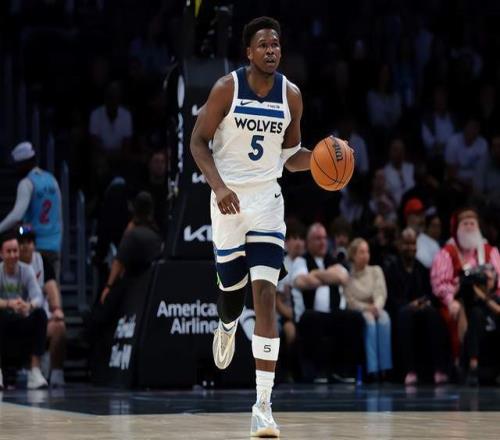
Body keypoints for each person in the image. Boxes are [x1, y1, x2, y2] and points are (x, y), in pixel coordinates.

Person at [189, 17, 325, 437]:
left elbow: (290, 156)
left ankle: (262, 405)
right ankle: (227, 325)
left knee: (265, 294)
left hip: (267, 202)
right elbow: (197, 142)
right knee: (232, 295)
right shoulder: (226, 89)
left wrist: (323, 161)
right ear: (249, 52)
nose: (271, 51)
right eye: (263, 45)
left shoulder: (291, 96)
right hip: (228, 201)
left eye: (276, 45)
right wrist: (218, 187)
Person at [431, 207, 500, 384]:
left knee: (483, 313)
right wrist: (450, 300)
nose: (469, 227)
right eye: (465, 223)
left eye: (472, 223)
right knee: (462, 311)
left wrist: (490, 286)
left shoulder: (490, 251)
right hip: (460, 300)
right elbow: (440, 283)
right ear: (457, 228)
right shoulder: (448, 252)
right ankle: (464, 363)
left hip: (487, 300)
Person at [290, 223, 364, 383]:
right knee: (312, 318)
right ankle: (318, 372)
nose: (322, 242)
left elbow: (343, 278)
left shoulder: (335, 260)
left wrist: (315, 274)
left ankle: (343, 371)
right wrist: (330, 276)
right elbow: (302, 282)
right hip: (310, 314)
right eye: (317, 239)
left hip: (334, 313)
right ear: (308, 242)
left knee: (355, 317)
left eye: (324, 238)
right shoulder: (300, 261)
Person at [384, 228, 448, 385]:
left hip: (419, 309)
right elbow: (390, 297)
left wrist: (423, 302)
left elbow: (429, 293)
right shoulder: (391, 268)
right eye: (406, 244)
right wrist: (408, 305)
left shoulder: (421, 268)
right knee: (405, 314)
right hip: (400, 310)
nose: (410, 248)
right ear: (399, 245)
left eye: (413, 244)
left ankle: (438, 369)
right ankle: (409, 370)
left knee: (433, 314)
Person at [0, 142, 63, 280]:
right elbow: (59, 216)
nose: (16, 170)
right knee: (53, 289)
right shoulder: (52, 180)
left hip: (33, 247)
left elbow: (17, 215)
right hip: (54, 245)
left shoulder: (27, 183)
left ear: (24, 163)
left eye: (17, 165)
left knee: (32, 288)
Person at [17, 225, 66, 387]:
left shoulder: (42, 262)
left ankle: (53, 372)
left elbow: (51, 288)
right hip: (14, 319)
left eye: (29, 242)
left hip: (36, 318)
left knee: (55, 324)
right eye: (21, 242)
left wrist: (56, 308)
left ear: (34, 245)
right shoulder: (8, 264)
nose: (24, 246)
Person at [0, 231, 48, 389]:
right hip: (4, 323)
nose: (13, 255)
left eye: (15, 251)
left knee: (40, 314)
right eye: (9, 251)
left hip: (21, 322)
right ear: (1, 254)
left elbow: (38, 297)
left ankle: (35, 371)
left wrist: (29, 305)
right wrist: (9, 304)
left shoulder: (27, 270)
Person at [345, 238, 393, 381]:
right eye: (361, 252)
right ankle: (372, 370)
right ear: (353, 255)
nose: (365, 255)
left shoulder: (376, 271)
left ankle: (385, 369)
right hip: (360, 310)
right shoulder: (348, 277)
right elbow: (350, 300)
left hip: (376, 306)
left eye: (367, 252)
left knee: (384, 319)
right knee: (369, 322)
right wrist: (366, 308)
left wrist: (376, 307)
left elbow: (381, 293)